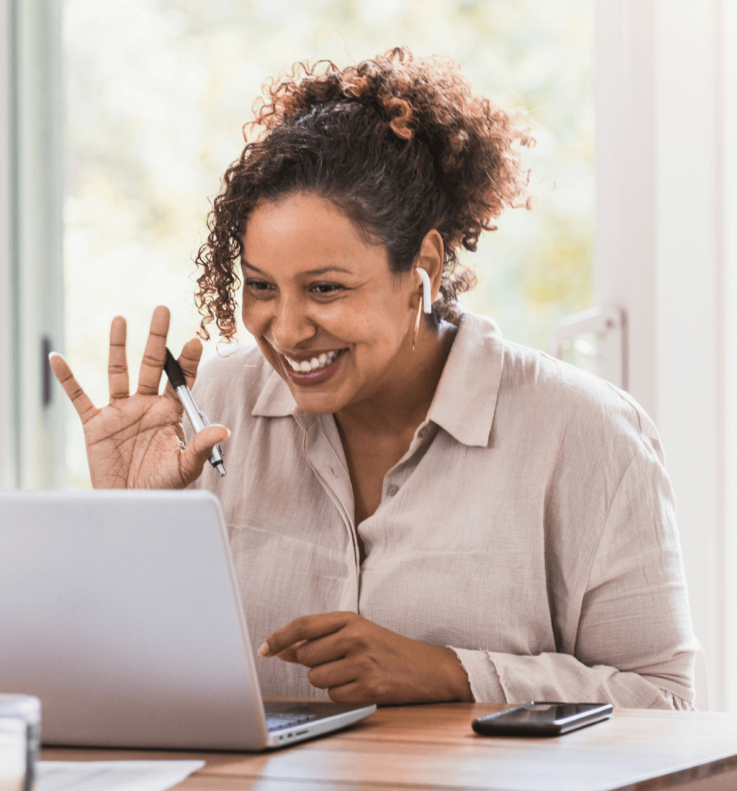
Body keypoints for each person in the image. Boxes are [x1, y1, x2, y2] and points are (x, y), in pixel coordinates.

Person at [49, 48, 697, 709]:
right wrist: (127, 523)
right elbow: (127, 688)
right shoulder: (212, 409)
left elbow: (667, 700)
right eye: (263, 287)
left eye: (325, 288)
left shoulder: (584, 435)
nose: (287, 329)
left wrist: (450, 672)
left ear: (423, 266)